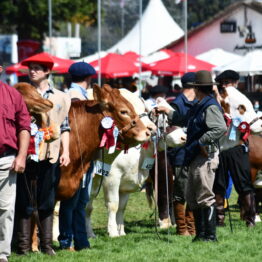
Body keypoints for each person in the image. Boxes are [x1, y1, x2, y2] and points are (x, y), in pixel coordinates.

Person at [156, 71, 227, 242]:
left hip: (205, 156)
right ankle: (200, 234)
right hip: (196, 156)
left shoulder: (209, 106)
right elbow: (184, 119)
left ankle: (209, 236)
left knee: (204, 196)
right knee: (192, 196)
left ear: (196, 88)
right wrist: (167, 111)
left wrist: (200, 141)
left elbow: (220, 128)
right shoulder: (201, 104)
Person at [15, 53, 71, 255]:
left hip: (50, 155)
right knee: (23, 200)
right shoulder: (18, 93)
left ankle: (46, 245)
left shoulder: (61, 97)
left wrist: (66, 150)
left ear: (48, 71)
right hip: (25, 154)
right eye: (30, 68)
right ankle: (22, 246)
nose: (32, 71)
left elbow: (65, 126)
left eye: (37, 68)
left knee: (47, 200)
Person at [58, 61, 96, 251]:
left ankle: (80, 241)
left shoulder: (76, 94)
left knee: (79, 201)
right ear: (89, 78)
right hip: (76, 155)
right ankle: (68, 240)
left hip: (84, 154)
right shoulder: (74, 97)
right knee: (72, 200)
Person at [214, 70, 257, 227]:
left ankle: (219, 220)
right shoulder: (240, 97)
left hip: (218, 148)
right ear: (235, 81)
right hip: (236, 147)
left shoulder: (215, 97)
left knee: (218, 185)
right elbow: (254, 123)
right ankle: (250, 220)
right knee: (244, 184)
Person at [0, 64, 31, 262]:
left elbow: (24, 127)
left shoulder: (12, 95)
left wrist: (21, 156)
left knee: (5, 209)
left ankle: (2, 254)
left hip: (6, 160)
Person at [168, 72, 197, 236]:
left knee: (192, 192)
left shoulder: (195, 102)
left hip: (193, 153)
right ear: (194, 86)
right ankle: (182, 228)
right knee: (181, 193)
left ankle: (191, 227)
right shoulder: (177, 104)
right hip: (181, 155)